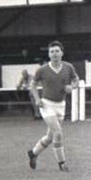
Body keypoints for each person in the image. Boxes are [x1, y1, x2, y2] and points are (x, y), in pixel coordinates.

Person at [26, 42, 80, 171]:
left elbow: (76, 80)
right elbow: (32, 85)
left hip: (60, 105)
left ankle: (33, 153)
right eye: (51, 52)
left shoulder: (68, 67)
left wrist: (71, 87)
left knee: (50, 137)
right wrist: (37, 99)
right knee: (58, 132)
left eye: (56, 51)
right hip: (47, 104)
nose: (54, 54)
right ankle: (62, 164)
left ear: (62, 53)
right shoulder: (42, 69)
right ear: (49, 54)